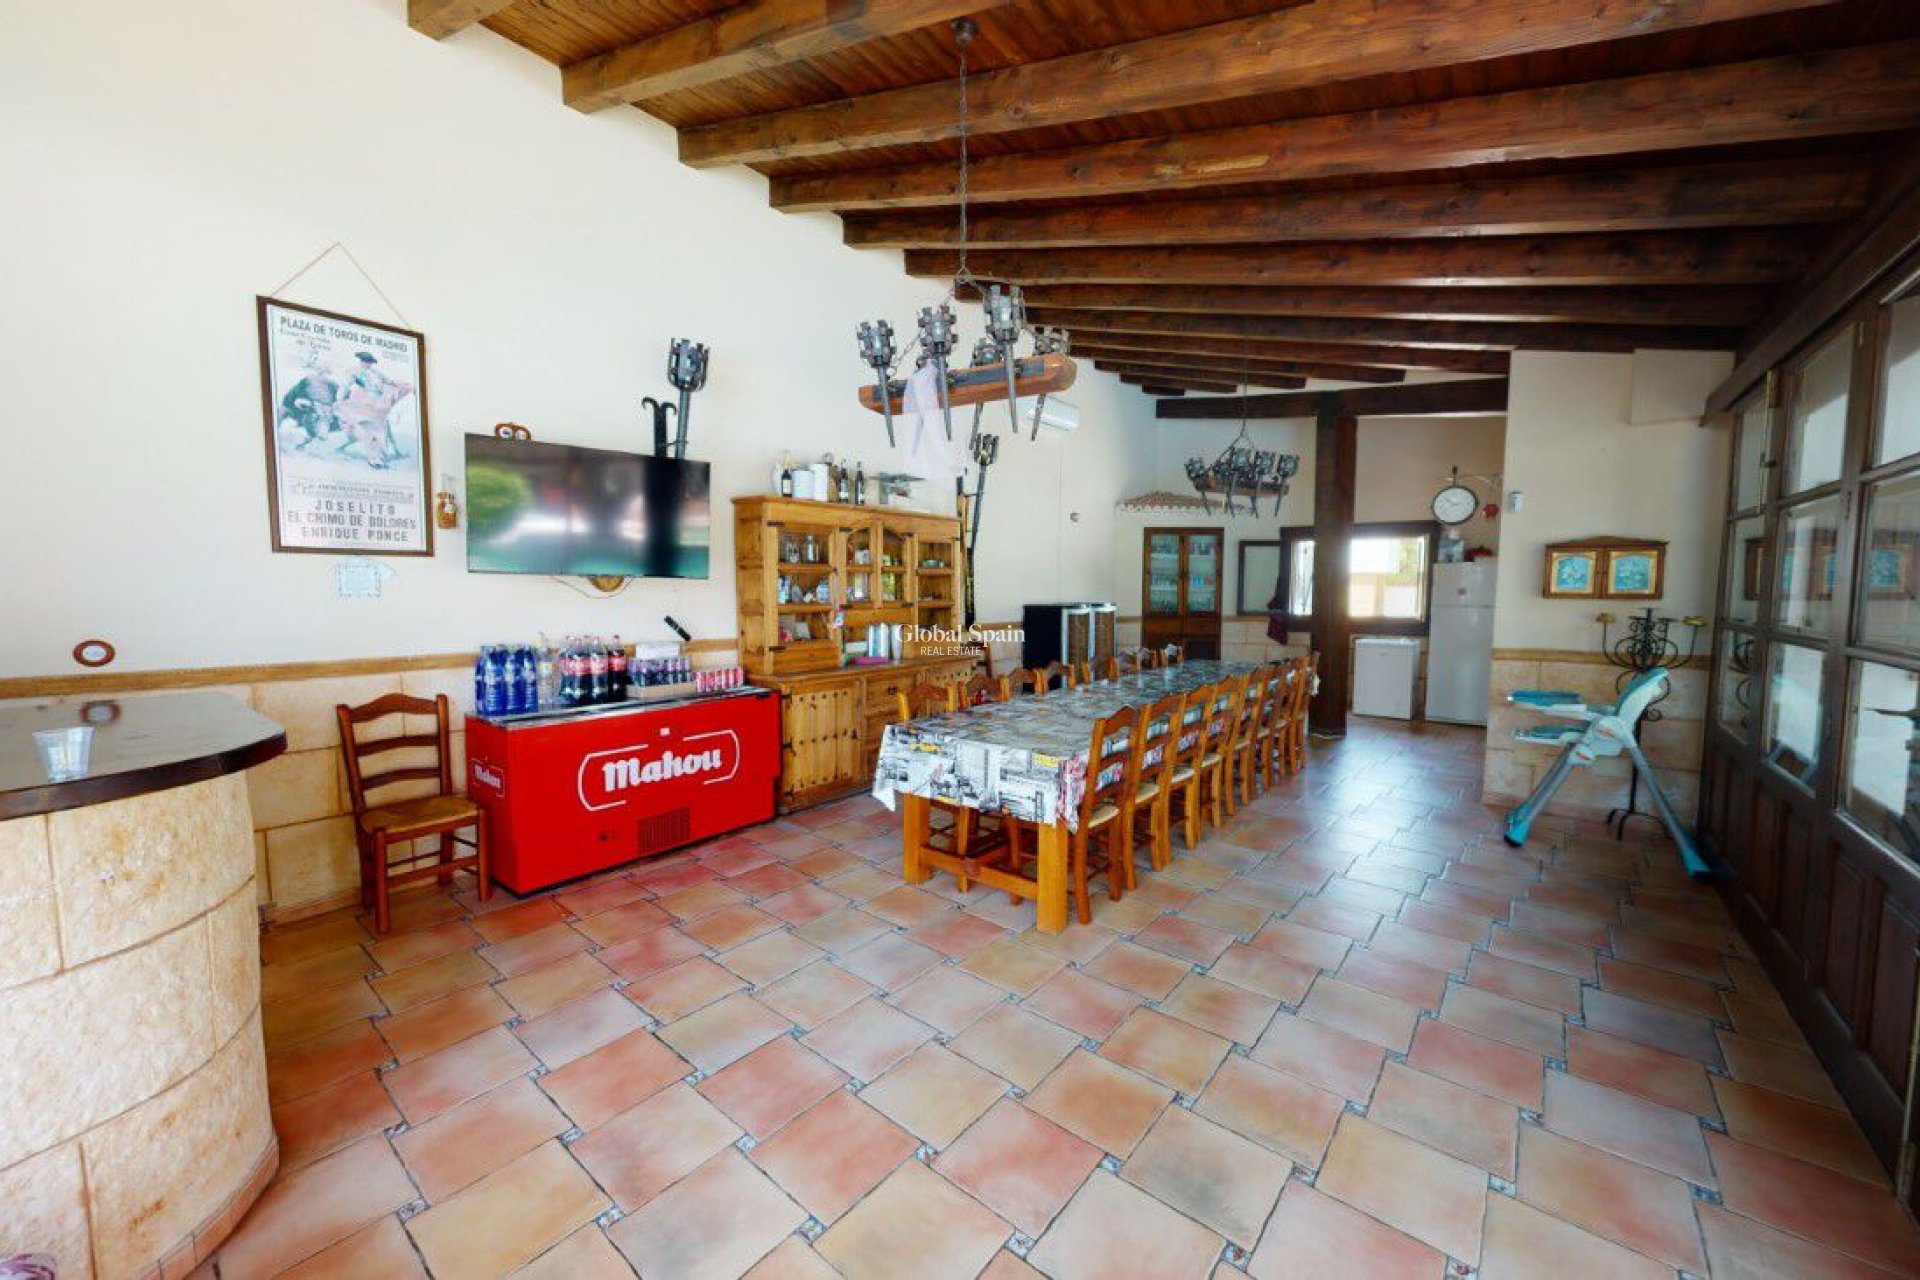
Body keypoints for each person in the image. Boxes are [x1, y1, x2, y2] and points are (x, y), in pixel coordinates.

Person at [335, 351, 413, 469]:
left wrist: (405, 386)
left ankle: (383, 455)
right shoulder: (354, 371)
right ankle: (374, 459)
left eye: (370, 362)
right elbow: (345, 385)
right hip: (363, 402)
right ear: (361, 361)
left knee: (382, 429)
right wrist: (339, 399)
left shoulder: (376, 372)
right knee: (371, 430)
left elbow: (389, 381)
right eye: (366, 362)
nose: (368, 364)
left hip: (378, 404)